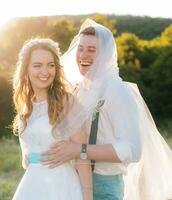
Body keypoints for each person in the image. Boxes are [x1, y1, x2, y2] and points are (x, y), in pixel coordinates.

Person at [42, 19, 172, 200]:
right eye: (81, 48)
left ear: (106, 55)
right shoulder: (78, 89)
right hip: (71, 181)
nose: (83, 55)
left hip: (104, 187)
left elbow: (133, 150)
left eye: (92, 50)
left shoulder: (117, 92)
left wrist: (78, 149)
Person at [11, 38, 93, 200]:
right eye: (37, 65)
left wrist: (87, 196)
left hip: (61, 186)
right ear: (25, 70)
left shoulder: (66, 101)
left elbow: (83, 154)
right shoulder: (26, 106)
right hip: (32, 185)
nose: (45, 71)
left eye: (51, 65)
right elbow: (26, 158)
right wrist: (33, 158)